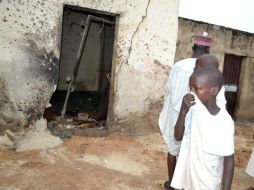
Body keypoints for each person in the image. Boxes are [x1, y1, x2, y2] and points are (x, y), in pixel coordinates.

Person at [158, 32, 226, 190]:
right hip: (200, 119)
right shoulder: (214, 71)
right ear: (208, 49)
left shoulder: (178, 66)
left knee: (173, 150)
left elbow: (169, 93)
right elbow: (220, 102)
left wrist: (169, 114)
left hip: (178, 114)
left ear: (193, 47)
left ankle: (172, 184)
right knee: (193, 153)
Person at [172, 67, 234, 190]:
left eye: (197, 89)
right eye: (190, 88)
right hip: (188, 178)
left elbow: (229, 159)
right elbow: (177, 137)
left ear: (214, 90)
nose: (191, 92)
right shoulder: (192, 109)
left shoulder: (224, 121)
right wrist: (183, 111)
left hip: (206, 183)